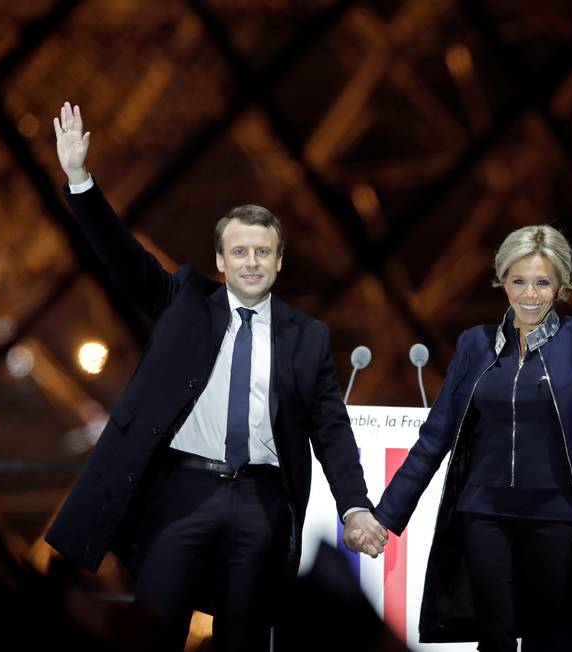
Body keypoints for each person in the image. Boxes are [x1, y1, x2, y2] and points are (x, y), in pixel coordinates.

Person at [44, 102, 387, 651]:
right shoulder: (185, 298)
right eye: (239, 252)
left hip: (262, 503)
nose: (251, 262)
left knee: (244, 640)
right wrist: (80, 180)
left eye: (263, 252)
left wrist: (354, 505)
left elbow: (331, 430)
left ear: (280, 262)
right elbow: (124, 260)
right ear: (221, 262)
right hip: (181, 493)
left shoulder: (307, 337)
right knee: (152, 633)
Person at [374, 224, 572, 650]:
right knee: (495, 637)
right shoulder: (475, 345)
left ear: (561, 286)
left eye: (542, 282)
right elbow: (435, 437)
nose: (530, 294)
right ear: (502, 281)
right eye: (519, 281)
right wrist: (384, 518)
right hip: (483, 513)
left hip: (555, 518)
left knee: (550, 638)